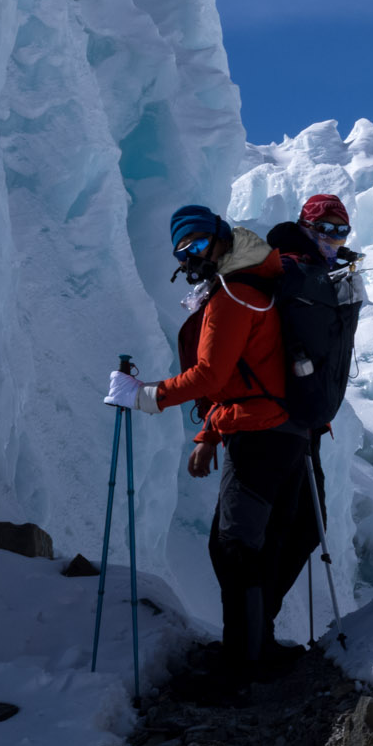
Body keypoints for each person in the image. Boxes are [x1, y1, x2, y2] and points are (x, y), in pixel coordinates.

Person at [146, 203, 320, 698]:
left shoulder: (234, 295)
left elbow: (211, 378)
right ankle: (256, 647)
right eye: (184, 250)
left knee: (235, 546)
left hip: (259, 435)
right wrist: (209, 434)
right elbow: (246, 378)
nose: (193, 255)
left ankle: (242, 665)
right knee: (255, 544)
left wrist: (145, 395)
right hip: (283, 434)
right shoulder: (254, 288)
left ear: (221, 238)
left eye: (199, 243)